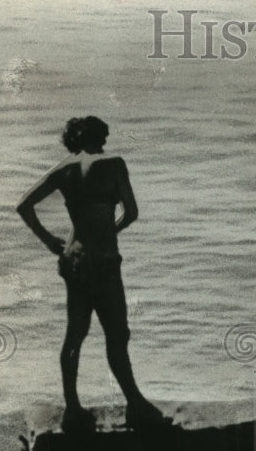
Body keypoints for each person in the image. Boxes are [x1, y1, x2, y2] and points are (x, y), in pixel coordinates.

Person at [17, 115, 170, 433]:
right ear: (99, 136)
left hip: (73, 259)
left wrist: (48, 241)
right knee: (117, 335)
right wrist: (110, 231)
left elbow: (24, 205)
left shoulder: (64, 169)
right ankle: (136, 405)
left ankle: (73, 409)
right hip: (103, 260)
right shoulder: (114, 163)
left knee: (75, 334)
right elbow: (131, 212)